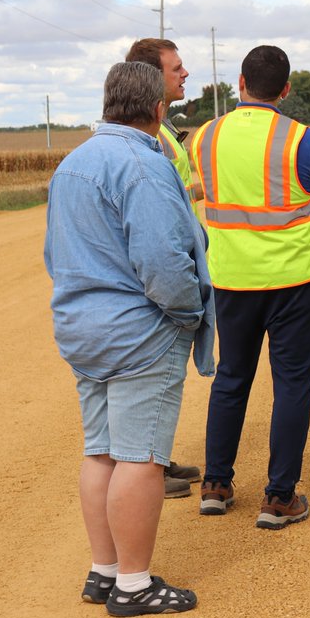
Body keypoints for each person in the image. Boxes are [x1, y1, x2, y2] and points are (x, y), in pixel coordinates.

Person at [45, 60, 211, 616]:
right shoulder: (143, 164)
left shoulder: (74, 163)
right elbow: (163, 262)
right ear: (158, 110)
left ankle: (104, 570)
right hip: (139, 332)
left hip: (82, 327)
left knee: (101, 451)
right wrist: (189, 313)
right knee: (141, 456)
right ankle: (134, 586)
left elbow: (55, 254)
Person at [192, 45, 310, 530]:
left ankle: (215, 485)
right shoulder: (305, 140)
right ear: (286, 89)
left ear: (239, 83)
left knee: (231, 379)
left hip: (231, 279)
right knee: (292, 386)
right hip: (295, 280)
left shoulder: (204, 138)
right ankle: (279, 497)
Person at [124, 37, 203, 498]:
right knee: (153, 378)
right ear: (153, 77)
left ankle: (158, 459)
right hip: (158, 272)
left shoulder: (166, 130)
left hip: (172, 251)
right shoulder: (148, 136)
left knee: (160, 384)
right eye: (177, 68)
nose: (185, 73)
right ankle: (146, 469)